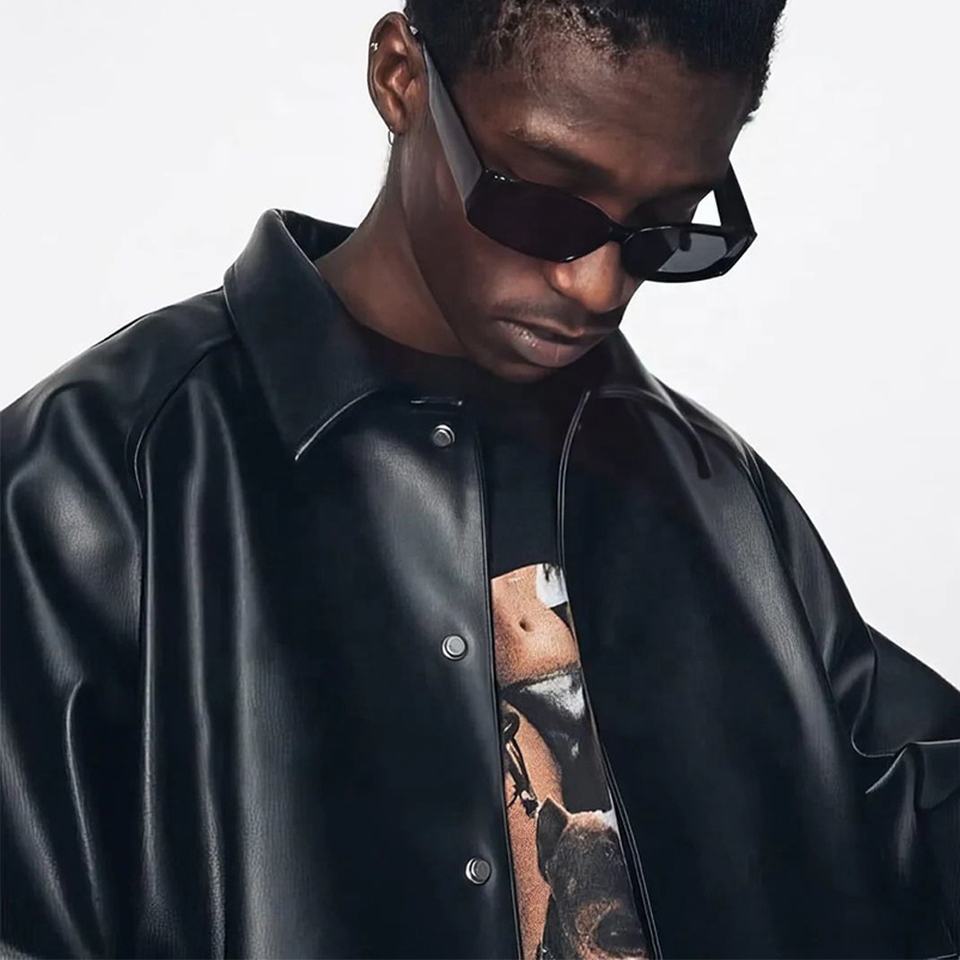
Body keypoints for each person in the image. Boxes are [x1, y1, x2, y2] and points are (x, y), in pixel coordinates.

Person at [2, 2, 957, 958]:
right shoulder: (89, 480)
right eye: (545, 204)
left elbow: (909, 823)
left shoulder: (716, 493)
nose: (597, 288)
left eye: (663, 229)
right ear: (401, 78)